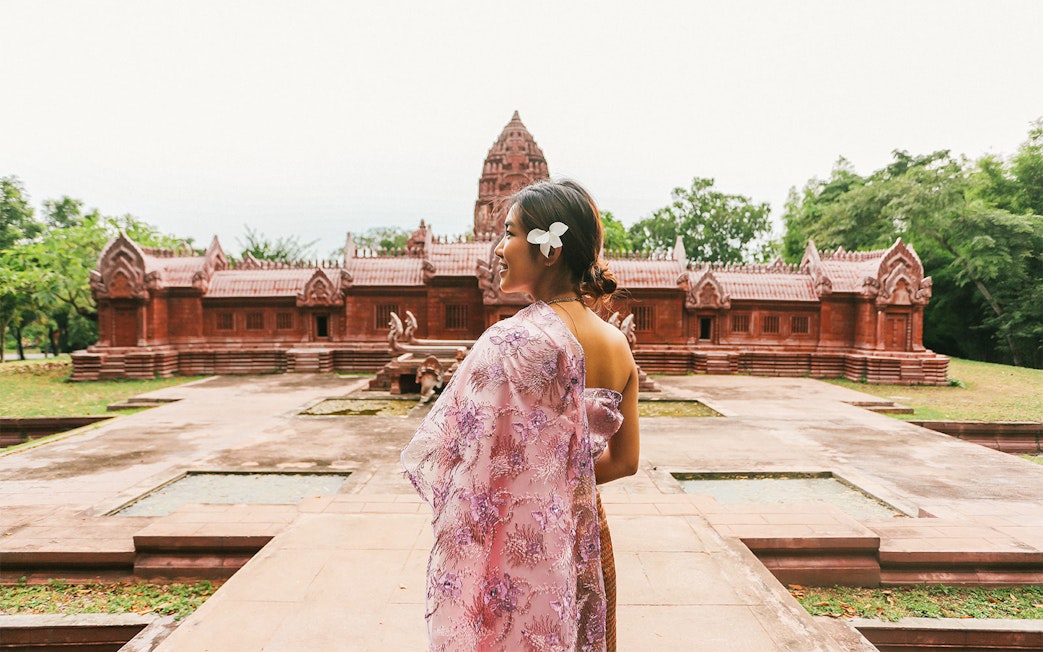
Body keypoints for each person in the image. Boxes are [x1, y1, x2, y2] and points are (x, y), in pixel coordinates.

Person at [401, 179, 640, 651]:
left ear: (549, 250)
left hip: (515, 545)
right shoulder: (617, 345)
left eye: (510, 232)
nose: (498, 248)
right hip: (584, 537)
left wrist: (530, 494)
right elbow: (626, 461)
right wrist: (559, 486)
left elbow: (453, 453)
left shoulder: (507, 342)